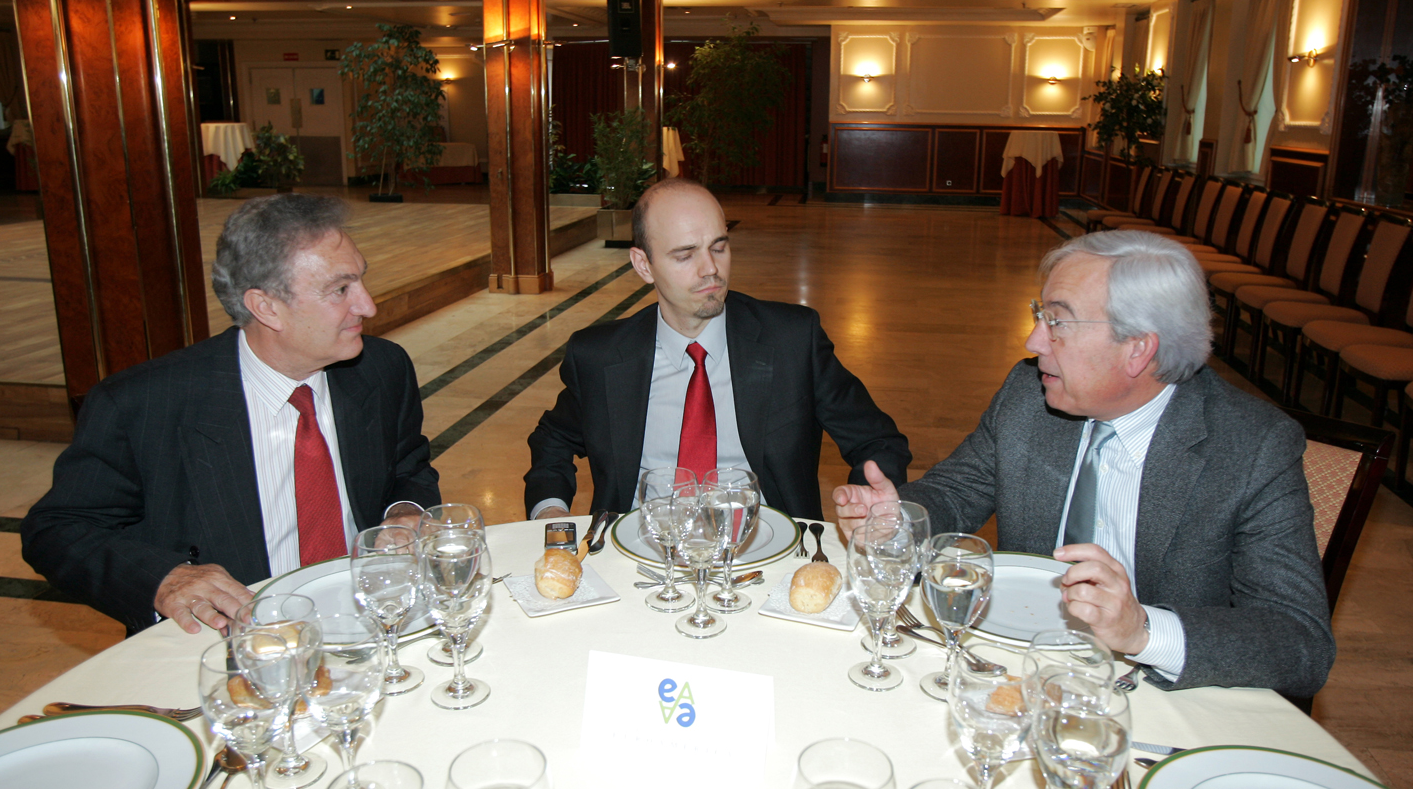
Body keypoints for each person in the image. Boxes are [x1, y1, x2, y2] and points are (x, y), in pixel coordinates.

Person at [834, 230, 1334, 696]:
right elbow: (957, 490)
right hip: (1015, 667)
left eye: (1057, 322)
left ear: (1138, 349)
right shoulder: (1029, 396)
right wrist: (899, 520)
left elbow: (1299, 641)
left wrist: (1141, 630)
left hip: (1164, 694)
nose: (1034, 342)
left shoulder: (1251, 447)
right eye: (1040, 315)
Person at [22, 195, 439, 635]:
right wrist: (164, 578)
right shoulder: (143, 405)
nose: (368, 306)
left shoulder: (381, 370)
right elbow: (57, 530)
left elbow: (408, 468)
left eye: (361, 280)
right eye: (341, 290)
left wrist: (405, 511)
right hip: (230, 643)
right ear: (265, 307)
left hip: (375, 623)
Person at [525, 178, 910, 521]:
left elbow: (877, 440)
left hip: (764, 552)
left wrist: (870, 501)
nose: (710, 268)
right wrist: (551, 509)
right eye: (685, 254)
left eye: (719, 247)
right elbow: (553, 439)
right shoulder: (599, 356)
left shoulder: (792, 341)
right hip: (640, 551)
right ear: (643, 265)